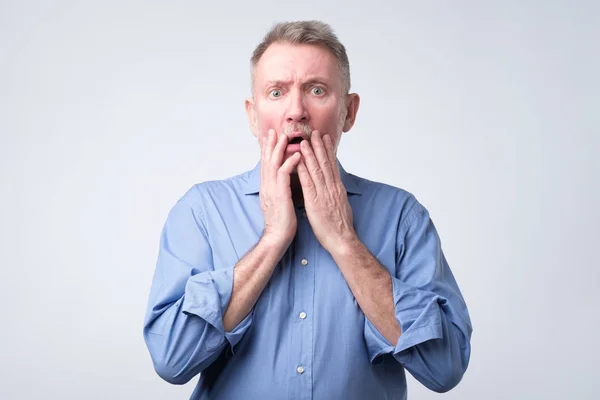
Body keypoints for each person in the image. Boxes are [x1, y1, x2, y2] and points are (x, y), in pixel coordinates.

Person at [143, 20, 472, 400]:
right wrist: (272, 241)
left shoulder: (402, 217)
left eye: (317, 90)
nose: (296, 111)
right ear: (253, 115)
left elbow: (444, 368)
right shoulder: (201, 211)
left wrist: (346, 242)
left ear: (349, 111)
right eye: (276, 92)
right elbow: (172, 360)